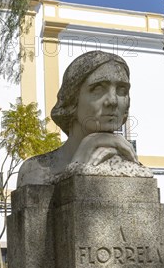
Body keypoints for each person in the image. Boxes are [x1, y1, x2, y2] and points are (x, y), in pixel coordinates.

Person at [17, 51, 140, 187]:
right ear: (72, 98)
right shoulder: (36, 171)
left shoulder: (131, 168)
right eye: (98, 88)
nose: (113, 101)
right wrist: (76, 169)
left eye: (122, 90)